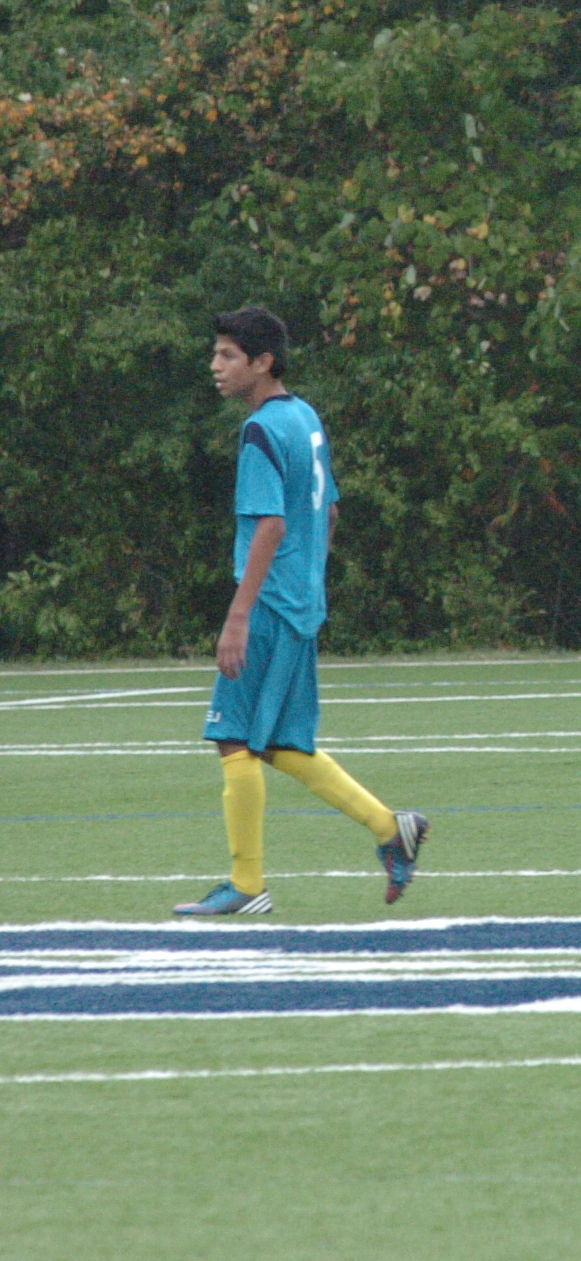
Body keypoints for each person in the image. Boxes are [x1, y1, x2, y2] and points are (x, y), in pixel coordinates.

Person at [176, 307, 426, 917]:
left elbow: (271, 524)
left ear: (262, 362)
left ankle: (246, 884)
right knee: (278, 742)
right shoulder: (305, 417)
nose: (215, 366)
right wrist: (309, 581)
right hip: (299, 602)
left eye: (228, 355)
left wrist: (238, 617)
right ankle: (390, 827)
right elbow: (329, 512)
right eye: (216, 354)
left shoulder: (260, 430)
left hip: (267, 605)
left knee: (233, 737)